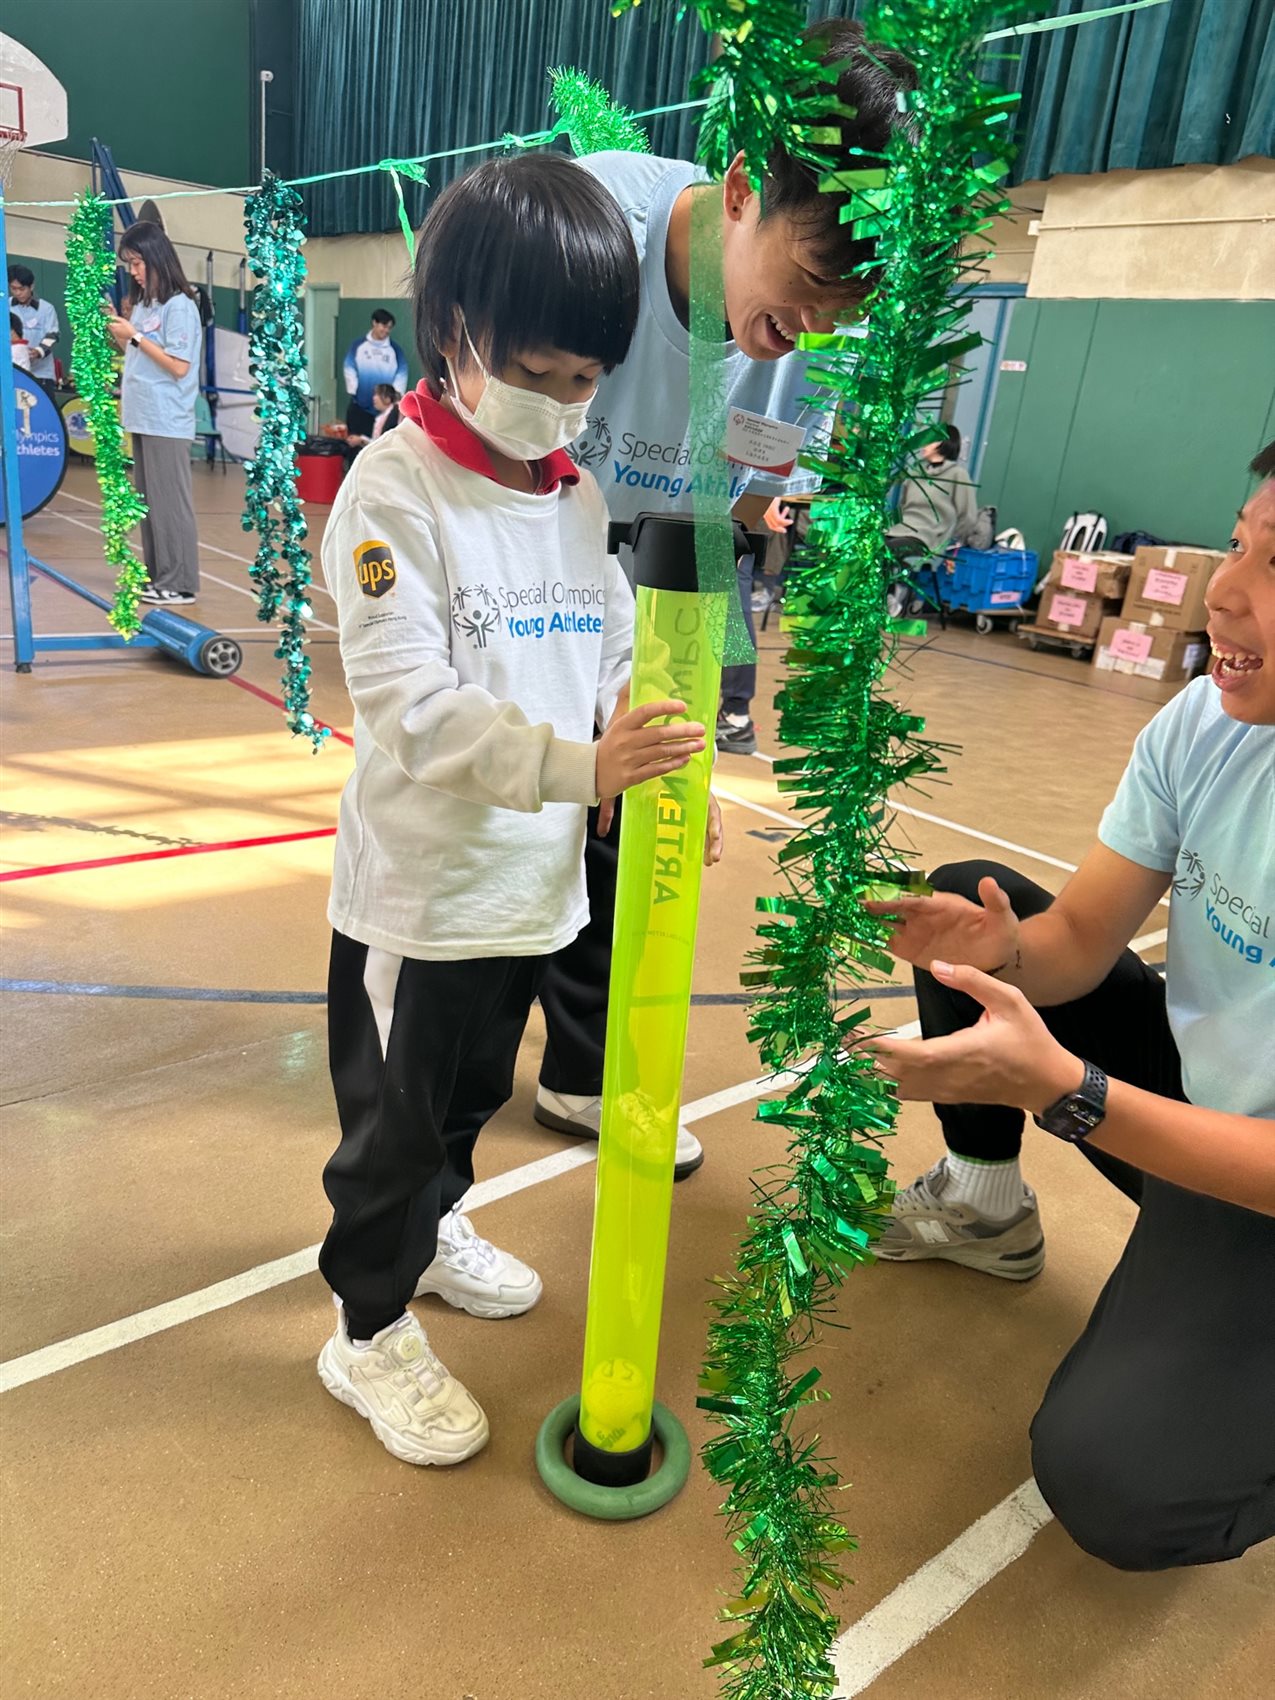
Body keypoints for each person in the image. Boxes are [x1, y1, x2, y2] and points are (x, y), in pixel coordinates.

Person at [314, 152, 717, 1467]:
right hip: (423, 899)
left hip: (529, 891)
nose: (561, 403)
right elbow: (411, 710)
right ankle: (365, 1328)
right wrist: (580, 772)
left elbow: (609, 657)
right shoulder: (393, 495)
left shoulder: (575, 497)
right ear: (454, 333)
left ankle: (431, 1237)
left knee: (469, 1099)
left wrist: (653, 762)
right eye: (537, 369)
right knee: (392, 1131)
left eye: (586, 379)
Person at [863, 443, 1275, 1572]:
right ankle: (985, 1204)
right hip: (1206, 1105)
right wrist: (1004, 951)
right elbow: (1086, 937)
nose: (1224, 591)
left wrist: (1070, 1092)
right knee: (970, 902)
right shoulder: (1206, 723)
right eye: (1238, 543)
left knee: (1117, 1483)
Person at [533, 16, 917, 1175]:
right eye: (814, 281)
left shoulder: (806, 342)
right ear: (743, 187)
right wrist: (588, 669)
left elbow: (744, 506)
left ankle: (583, 1069)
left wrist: (679, 707)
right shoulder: (589, 233)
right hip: (529, 560)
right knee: (512, 818)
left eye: (848, 305)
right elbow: (494, 470)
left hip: (665, 575)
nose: (817, 325)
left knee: (640, 820)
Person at [102, 223, 202, 606]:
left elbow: (178, 365)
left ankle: (179, 582)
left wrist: (136, 335)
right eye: (129, 264)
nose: (134, 271)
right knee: (149, 504)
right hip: (142, 415)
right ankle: (159, 576)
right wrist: (119, 328)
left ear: (157, 258)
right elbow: (138, 352)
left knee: (169, 503)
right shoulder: (146, 305)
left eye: (137, 262)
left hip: (167, 419)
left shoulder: (180, 306)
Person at [885, 421, 978, 617]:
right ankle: (889, 592)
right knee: (870, 546)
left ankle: (893, 593)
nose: (923, 444)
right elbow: (903, 507)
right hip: (901, 529)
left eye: (929, 440)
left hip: (928, 538)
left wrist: (952, 542)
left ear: (943, 443)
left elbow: (968, 515)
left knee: (889, 550)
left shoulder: (957, 475)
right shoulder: (915, 471)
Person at [342, 309, 409, 439]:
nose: (386, 330)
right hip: (360, 407)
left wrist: (394, 396)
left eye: (389, 328)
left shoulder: (395, 350)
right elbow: (349, 367)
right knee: (356, 445)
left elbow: (402, 374)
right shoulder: (358, 345)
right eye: (384, 326)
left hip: (384, 411)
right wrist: (355, 390)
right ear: (374, 323)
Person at [8, 264, 59, 393]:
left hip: (42, 375)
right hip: (13, 372)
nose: (18, 293)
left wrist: (38, 351)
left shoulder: (46, 308)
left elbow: (52, 335)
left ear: (31, 286)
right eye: (13, 288)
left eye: (22, 289)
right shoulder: (5, 306)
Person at [343, 382, 401, 458]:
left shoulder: (395, 415)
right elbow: (376, 443)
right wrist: (361, 440)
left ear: (387, 398)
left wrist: (361, 440)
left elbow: (383, 446)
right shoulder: (382, 417)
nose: (374, 398)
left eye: (378, 394)